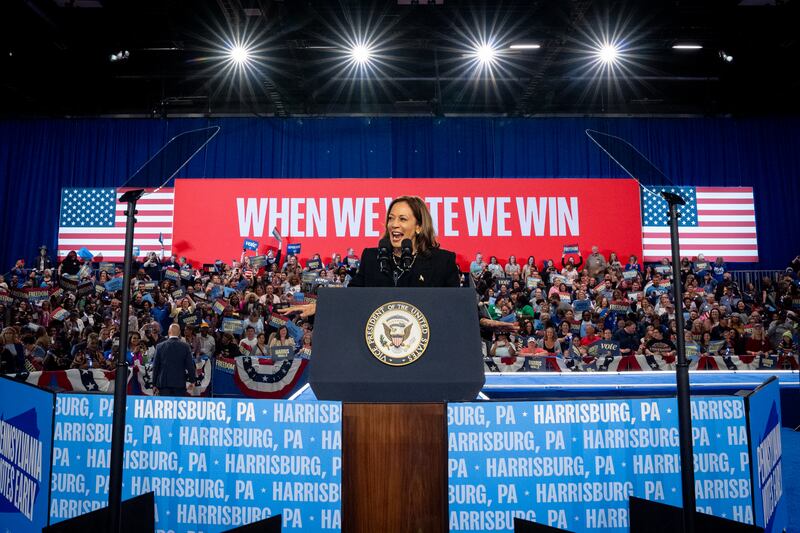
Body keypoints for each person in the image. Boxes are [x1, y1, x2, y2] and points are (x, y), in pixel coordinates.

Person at [151, 324, 195, 396]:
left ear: (168, 332)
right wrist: (192, 381)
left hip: (163, 384)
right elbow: (190, 366)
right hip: (179, 384)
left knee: (165, 406)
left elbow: (155, 366)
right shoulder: (185, 347)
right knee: (177, 407)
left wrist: (154, 384)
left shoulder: (159, 346)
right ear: (179, 333)